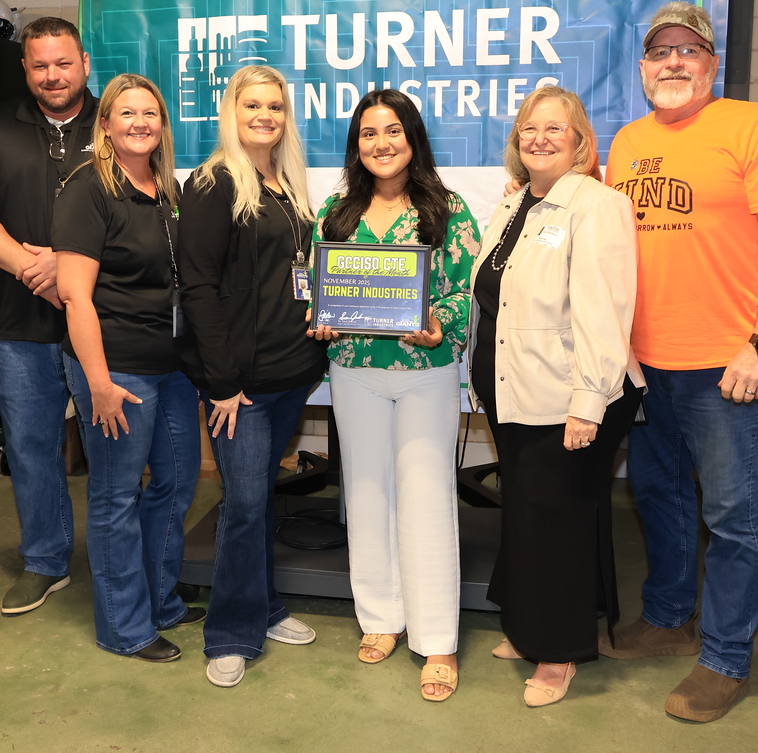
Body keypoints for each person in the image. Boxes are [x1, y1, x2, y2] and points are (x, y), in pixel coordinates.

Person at [602, 1, 758, 722]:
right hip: (644, 366)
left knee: (733, 519)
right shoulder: (626, 143)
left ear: (712, 62)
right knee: (659, 497)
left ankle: (725, 656)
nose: (673, 63)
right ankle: (666, 619)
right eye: (659, 51)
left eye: (688, 51)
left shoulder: (755, 128)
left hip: (725, 367)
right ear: (642, 67)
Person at [469, 86, 643, 707]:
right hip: (517, 389)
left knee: (558, 517)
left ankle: (559, 652)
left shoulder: (596, 205)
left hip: (573, 392)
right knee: (526, 509)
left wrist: (587, 402)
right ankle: (525, 625)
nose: (538, 138)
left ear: (579, 140)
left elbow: (605, 312)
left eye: (554, 128)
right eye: (528, 129)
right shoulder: (513, 206)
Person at [312, 88, 480, 702]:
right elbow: (318, 282)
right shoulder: (336, 210)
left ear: (412, 138)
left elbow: (464, 291)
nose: (381, 144)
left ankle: (437, 639)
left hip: (423, 372)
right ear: (356, 144)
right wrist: (320, 316)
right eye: (367, 134)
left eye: (393, 132)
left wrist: (441, 325)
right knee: (366, 491)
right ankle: (380, 617)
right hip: (353, 368)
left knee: (426, 496)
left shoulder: (447, 208)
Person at [177, 65, 327, 688]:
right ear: (230, 113)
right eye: (253, 105)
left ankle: (262, 609)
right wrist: (221, 382)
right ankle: (232, 633)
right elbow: (200, 288)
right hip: (240, 386)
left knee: (258, 498)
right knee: (241, 504)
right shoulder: (213, 183)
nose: (265, 115)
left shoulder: (287, 183)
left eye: (275, 106)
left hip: (291, 372)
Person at [0, 17, 99, 616]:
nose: (52, 75)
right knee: (32, 447)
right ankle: (45, 561)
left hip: (101, 322)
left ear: (84, 62)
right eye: (40, 65)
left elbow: (145, 211)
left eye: (62, 63)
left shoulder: (116, 123)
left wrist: (66, 265)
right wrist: (26, 265)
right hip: (17, 323)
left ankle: (119, 559)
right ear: (25, 69)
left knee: (111, 448)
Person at [52, 74, 202, 662]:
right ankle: (124, 627)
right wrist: (98, 385)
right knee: (115, 496)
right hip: (116, 371)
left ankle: (160, 599)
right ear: (107, 124)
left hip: (172, 366)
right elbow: (75, 296)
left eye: (151, 114)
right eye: (128, 113)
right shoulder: (86, 190)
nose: (140, 123)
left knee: (177, 481)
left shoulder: (169, 189)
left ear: (162, 125)